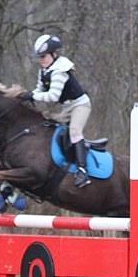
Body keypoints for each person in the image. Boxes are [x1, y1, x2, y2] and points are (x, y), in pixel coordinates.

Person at [21, 34, 92, 187]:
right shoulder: (44, 71)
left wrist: (33, 95)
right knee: (46, 121)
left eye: (43, 56)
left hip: (80, 105)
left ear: (54, 54)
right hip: (67, 108)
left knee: (75, 131)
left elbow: (53, 96)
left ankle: (83, 171)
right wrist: (27, 96)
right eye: (39, 57)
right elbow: (39, 89)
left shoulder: (60, 70)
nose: (41, 60)